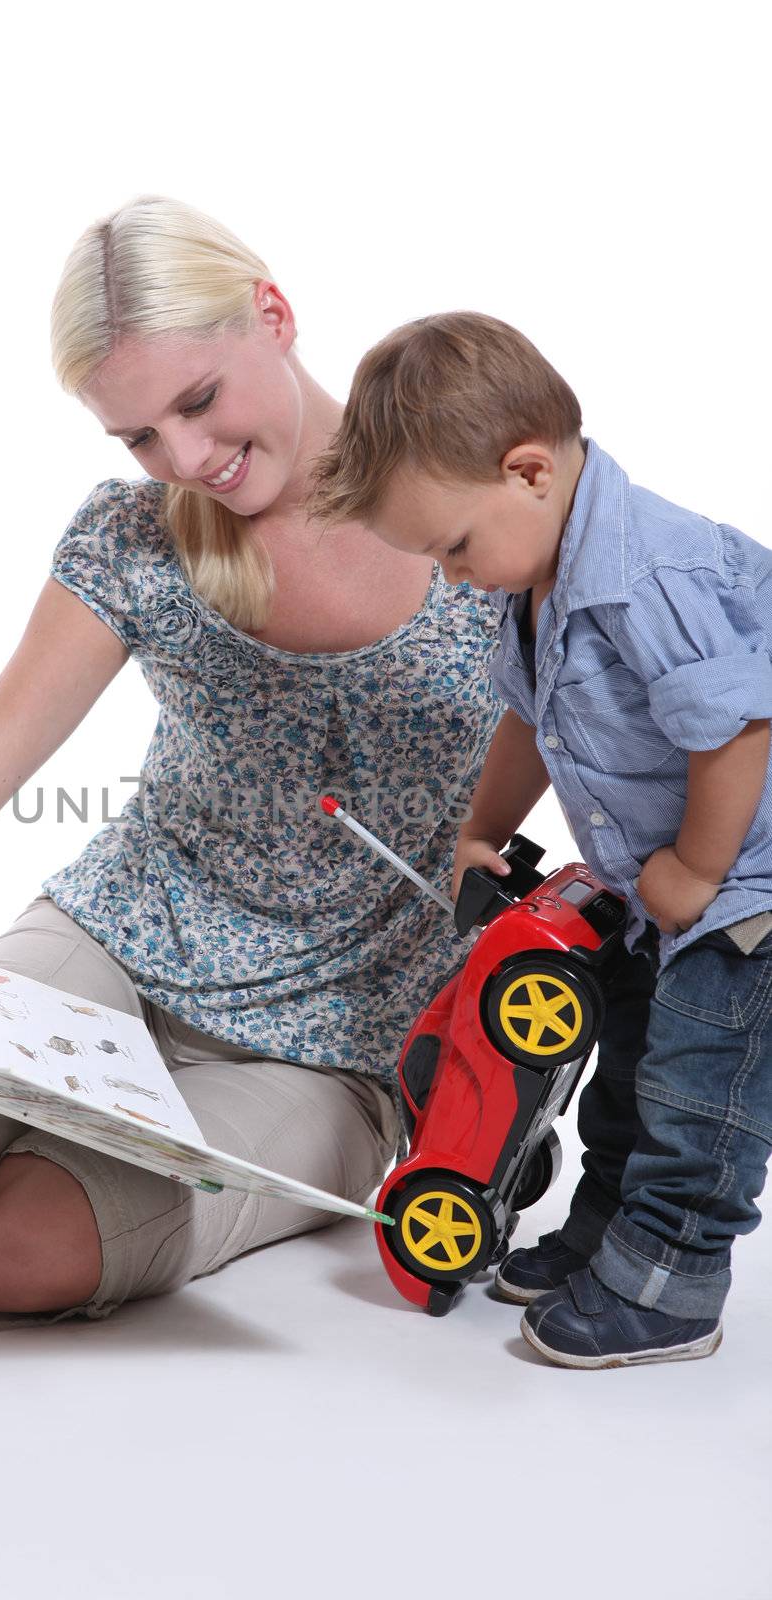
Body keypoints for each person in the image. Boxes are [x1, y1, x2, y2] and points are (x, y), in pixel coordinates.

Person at [0, 203, 502, 1328]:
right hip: (119, 940)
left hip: (334, 1041)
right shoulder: (141, 538)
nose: (184, 460)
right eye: (137, 437)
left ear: (272, 315)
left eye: (197, 401)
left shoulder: (481, 527)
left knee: (8, 1256)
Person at [311, 309, 772, 1367]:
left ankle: (669, 1287)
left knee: (695, 1089)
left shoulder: (649, 573)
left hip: (743, 887)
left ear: (526, 471)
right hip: (667, 892)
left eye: (452, 547)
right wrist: (481, 829)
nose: (451, 578)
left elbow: (739, 728)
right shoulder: (533, 585)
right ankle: (607, 1236)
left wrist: (696, 868)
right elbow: (527, 717)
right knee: (626, 1067)